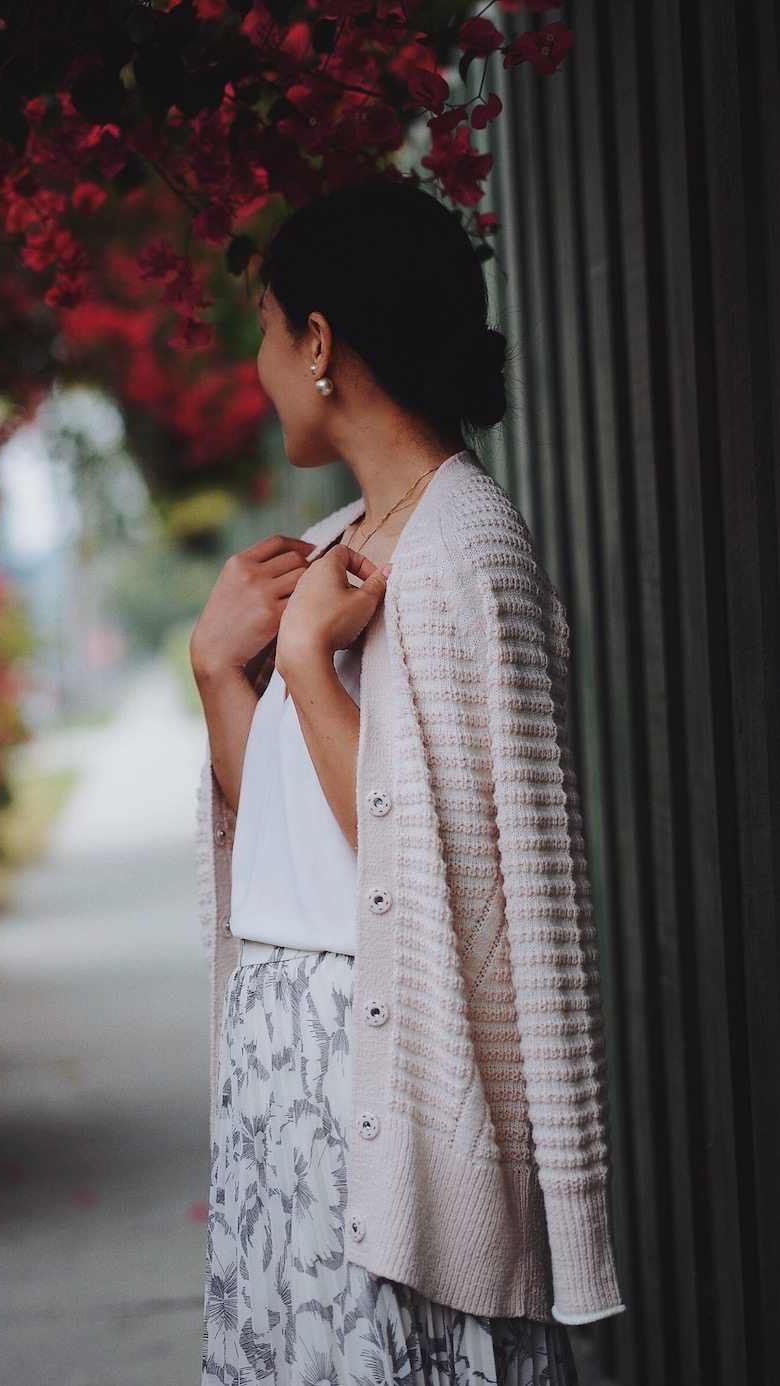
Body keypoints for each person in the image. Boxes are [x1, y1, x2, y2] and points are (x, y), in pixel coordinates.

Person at [193, 175, 626, 1383]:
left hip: (389, 1090)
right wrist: (221, 674)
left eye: (270, 334)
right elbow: (293, 835)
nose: (262, 368)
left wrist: (302, 667)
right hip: (287, 1078)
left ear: (321, 342)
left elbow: (449, 876)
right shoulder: (332, 551)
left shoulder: (465, 548)